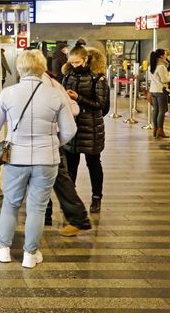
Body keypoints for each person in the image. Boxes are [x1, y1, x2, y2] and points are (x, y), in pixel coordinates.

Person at [0, 50, 77, 267]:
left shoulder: (8, 93)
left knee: (11, 203)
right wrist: (53, 143)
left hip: (16, 158)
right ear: (43, 68)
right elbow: (70, 130)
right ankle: (30, 254)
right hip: (47, 160)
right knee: (37, 207)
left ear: (20, 68)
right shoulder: (56, 95)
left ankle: (3, 247)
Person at [42, 70, 93, 237]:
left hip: (48, 136)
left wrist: (59, 140)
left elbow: (71, 110)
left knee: (60, 178)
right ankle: (48, 214)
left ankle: (78, 218)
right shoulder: (51, 79)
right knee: (56, 178)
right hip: (51, 136)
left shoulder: (44, 81)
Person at [61, 46, 110, 214]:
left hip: (91, 128)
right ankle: (71, 199)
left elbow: (101, 105)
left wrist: (78, 98)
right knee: (70, 166)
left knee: (93, 164)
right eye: (72, 62)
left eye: (77, 62)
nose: (74, 65)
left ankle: (96, 198)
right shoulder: (68, 75)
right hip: (72, 126)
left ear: (86, 59)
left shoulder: (98, 78)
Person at [149, 48, 170, 138]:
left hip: (153, 90)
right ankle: (160, 130)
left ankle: (155, 129)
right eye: (165, 54)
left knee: (156, 110)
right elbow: (164, 79)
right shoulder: (162, 66)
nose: (166, 56)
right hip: (160, 90)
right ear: (161, 56)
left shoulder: (152, 65)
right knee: (162, 111)